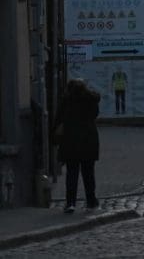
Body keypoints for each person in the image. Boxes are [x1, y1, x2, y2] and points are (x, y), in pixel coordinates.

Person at [55, 77, 100, 213]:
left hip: (71, 142)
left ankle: (70, 203)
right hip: (88, 141)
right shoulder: (91, 100)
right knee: (89, 173)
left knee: (72, 174)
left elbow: (58, 120)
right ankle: (91, 200)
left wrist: (55, 139)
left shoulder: (66, 101)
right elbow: (95, 115)